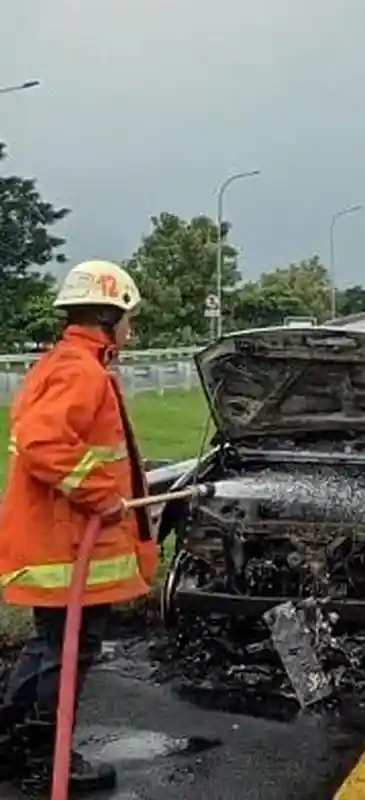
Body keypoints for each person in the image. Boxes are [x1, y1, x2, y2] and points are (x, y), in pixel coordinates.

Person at [0, 260, 155, 792]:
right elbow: (43, 443)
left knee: (51, 645)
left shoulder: (67, 363)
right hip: (65, 545)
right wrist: (103, 496)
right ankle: (44, 759)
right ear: (109, 317)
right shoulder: (81, 372)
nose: (131, 328)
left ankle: (16, 744)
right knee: (66, 651)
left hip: (57, 541)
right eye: (128, 318)